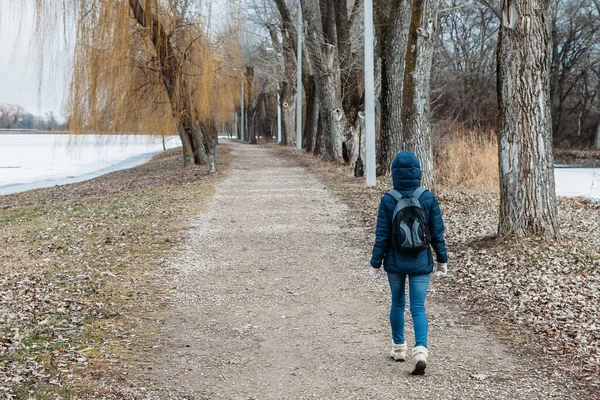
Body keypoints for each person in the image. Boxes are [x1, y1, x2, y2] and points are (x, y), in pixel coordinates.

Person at [369, 151, 448, 375]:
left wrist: (375, 263)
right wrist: (442, 259)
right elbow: (437, 234)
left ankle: (399, 348)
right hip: (421, 262)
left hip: (394, 262)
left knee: (397, 303)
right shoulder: (427, 197)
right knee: (418, 308)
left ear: (394, 173)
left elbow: (382, 236)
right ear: (418, 172)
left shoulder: (388, 199)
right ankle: (421, 350)